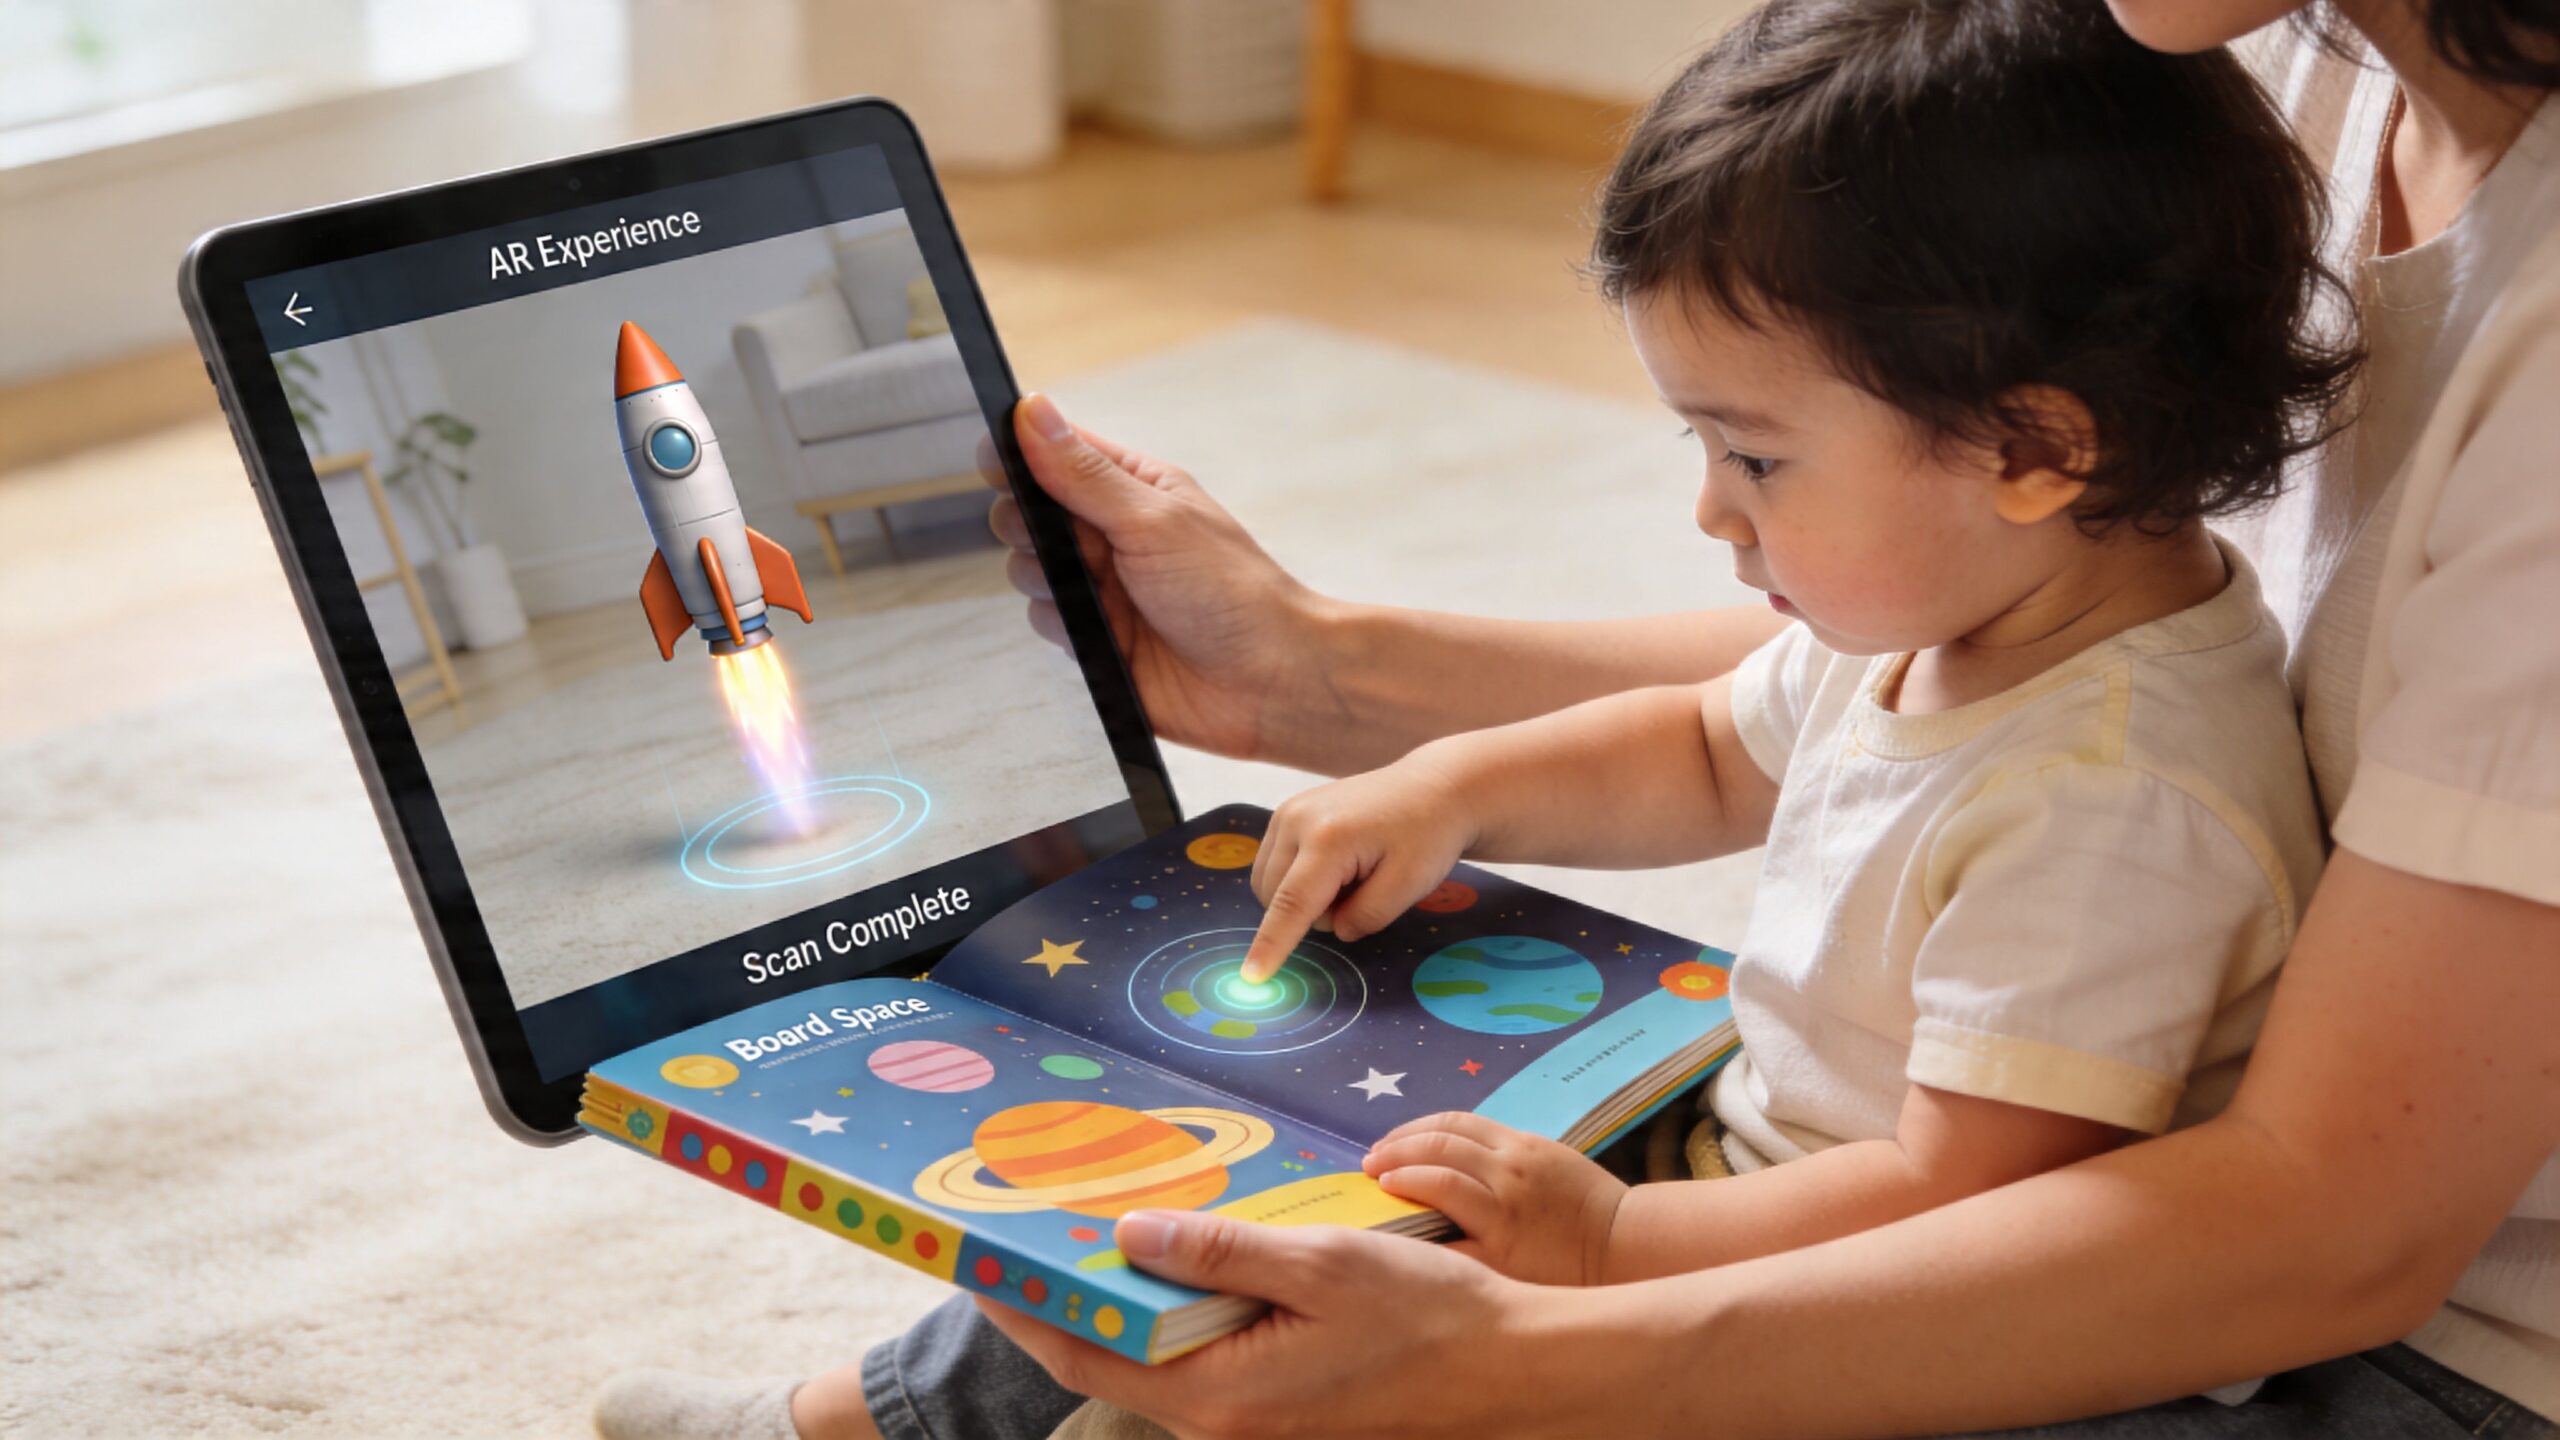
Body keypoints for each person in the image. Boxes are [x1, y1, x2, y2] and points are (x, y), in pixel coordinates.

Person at [597, 0, 2560, 1434]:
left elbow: (2022, 1194)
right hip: (1764, 1155)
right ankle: (841, 1427)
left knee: (1326, 1347)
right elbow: (1725, 733)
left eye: (1751, 460)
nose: (1710, 512)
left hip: (2075, 1271)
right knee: (1276, 1177)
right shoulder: (2204, 129)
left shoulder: (2115, 809)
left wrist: (1593, 1292)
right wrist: (1381, 726)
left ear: (2033, 451)